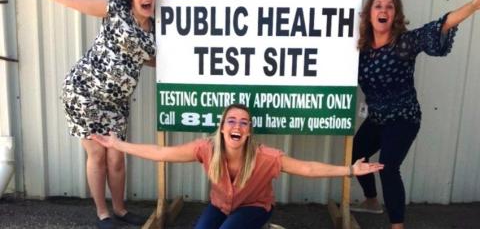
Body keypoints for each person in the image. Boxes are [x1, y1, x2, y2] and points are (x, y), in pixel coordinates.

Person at [1, 0, 157, 229]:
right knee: (97, 155)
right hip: (83, 93)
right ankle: (102, 213)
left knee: (117, 157)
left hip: (116, 103)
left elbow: (153, 61)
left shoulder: (155, 31)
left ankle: (119, 209)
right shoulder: (115, 10)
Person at [90, 103, 384, 229]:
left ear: (249, 132)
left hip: (255, 207)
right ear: (221, 128)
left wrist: (350, 170)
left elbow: (307, 168)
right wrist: (117, 145)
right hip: (220, 205)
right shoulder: (206, 148)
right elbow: (161, 152)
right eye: (231, 120)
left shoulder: (265, 156)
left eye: (244, 122)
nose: (237, 125)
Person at [351, 0, 480, 229]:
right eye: (378, 5)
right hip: (378, 117)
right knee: (356, 153)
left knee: (388, 168)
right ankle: (371, 201)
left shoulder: (404, 43)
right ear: (369, 13)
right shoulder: (362, 50)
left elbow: (441, 25)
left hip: (403, 117)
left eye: (389, 6)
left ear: (395, 14)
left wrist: (472, 6)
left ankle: (397, 226)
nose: (383, 10)